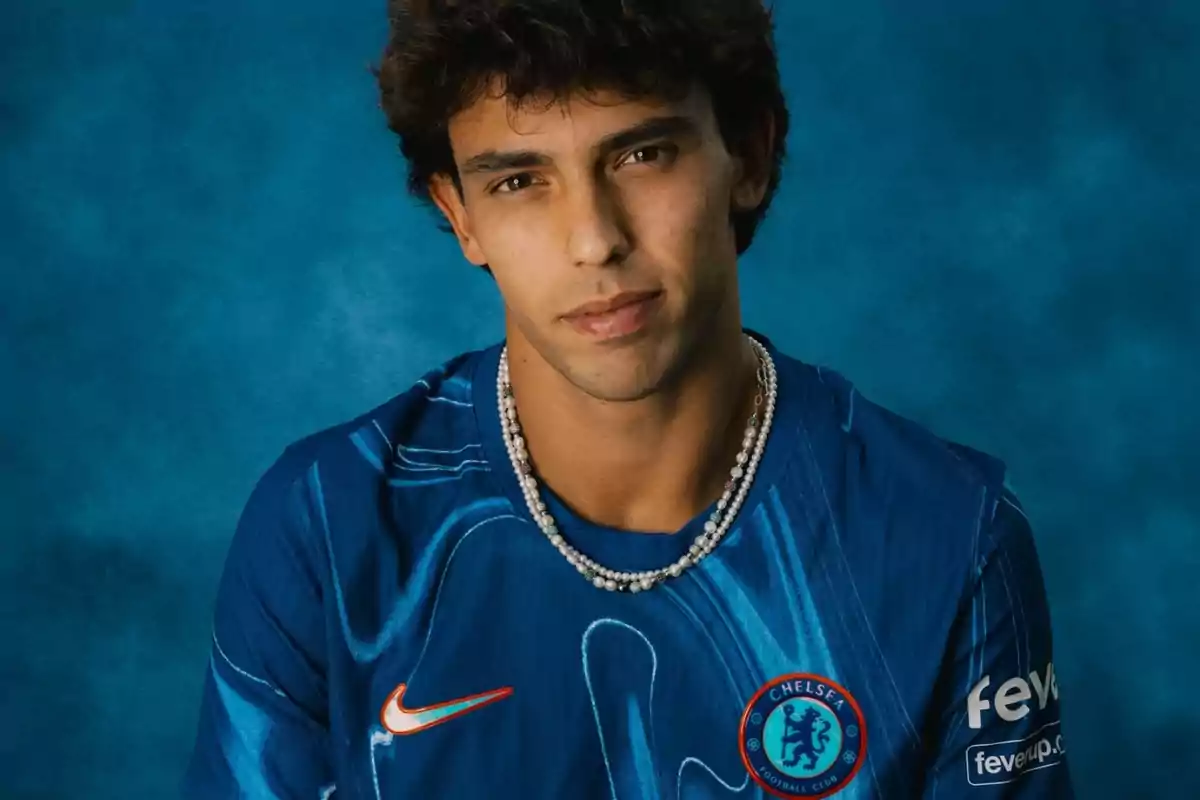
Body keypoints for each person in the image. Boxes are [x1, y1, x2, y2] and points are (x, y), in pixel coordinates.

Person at [183, 0, 1075, 797]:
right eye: (519, 180)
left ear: (750, 156)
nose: (594, 241)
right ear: (460, 216)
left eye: (644, 154)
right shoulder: (326, 525)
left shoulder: (950, 534)